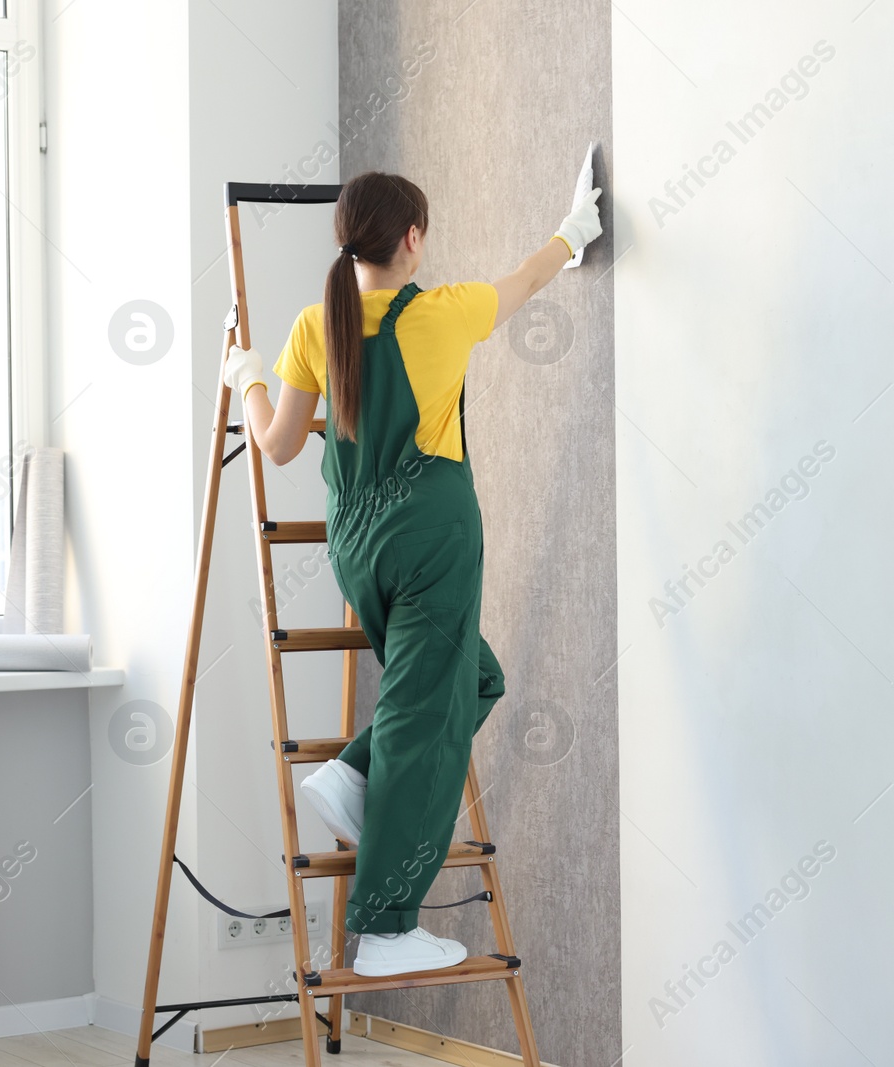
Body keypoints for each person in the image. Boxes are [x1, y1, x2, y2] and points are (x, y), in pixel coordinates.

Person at [221, 170, 602, 977]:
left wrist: (245, 375)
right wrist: (575, 230)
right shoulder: (444, 311)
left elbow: (279, 444)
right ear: (413, 239)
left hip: (358, 545)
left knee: (473, 682)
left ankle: (353, 770)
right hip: (431, 536)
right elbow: (529, 278)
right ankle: (387, 928)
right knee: (424, 716)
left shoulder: (313, 327)